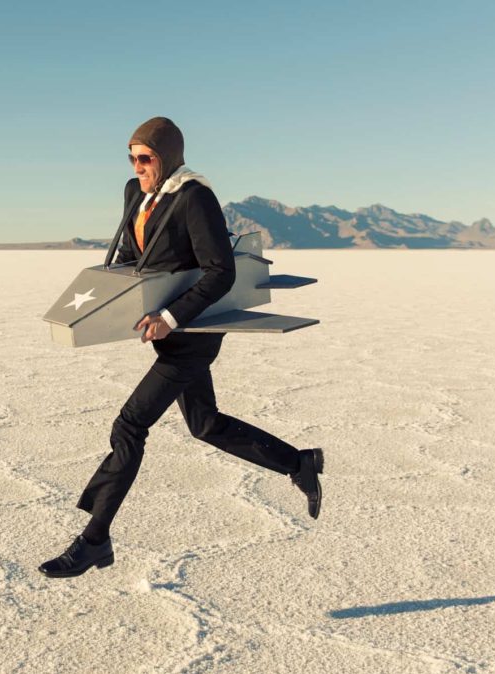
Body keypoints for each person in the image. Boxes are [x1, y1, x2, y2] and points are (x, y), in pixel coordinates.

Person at [37, 117, 323, 579]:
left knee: (129, 425)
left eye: (145, 158)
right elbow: (137, 256)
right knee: (204, 424)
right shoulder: (136, 193)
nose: (137, 167)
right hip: (166, 331)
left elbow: (220, 272)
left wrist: (169, 318)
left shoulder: (195, 198)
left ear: (167, 156)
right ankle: (299, 462)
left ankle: (95, 540)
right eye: (131, 158)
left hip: (193, 333)